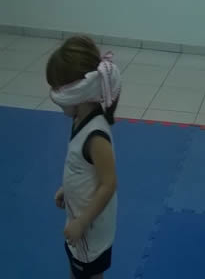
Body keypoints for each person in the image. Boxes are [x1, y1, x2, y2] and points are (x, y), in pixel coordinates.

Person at [47, 36, 121, 279]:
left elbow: (109, 183)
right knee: (78, 270)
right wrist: (67, 189)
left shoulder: (96, 137)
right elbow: (81, 166)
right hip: (79, 215)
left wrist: (82, 222)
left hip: (90, 225)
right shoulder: (79, 118)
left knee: (88, 273)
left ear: (77, 93)